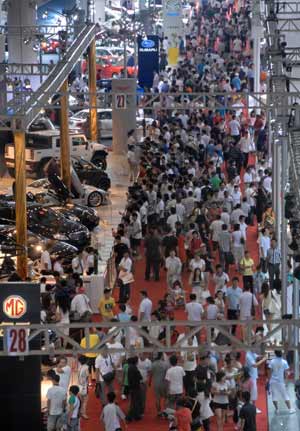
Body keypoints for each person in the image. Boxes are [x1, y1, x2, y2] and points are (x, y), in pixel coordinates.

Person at [127, 356, 143, 421]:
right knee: (135, 402)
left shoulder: (129, 368)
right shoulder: (135, 368)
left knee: (132, 401)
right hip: (136, 387)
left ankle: (132, 415)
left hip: (131, 387)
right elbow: (140, 377)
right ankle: (133, 416)